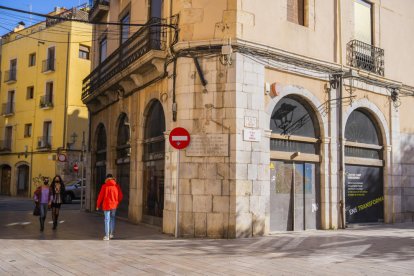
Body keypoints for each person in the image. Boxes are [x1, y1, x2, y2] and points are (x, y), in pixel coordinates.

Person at [96, 174, 123, 240]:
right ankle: (111, 234)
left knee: (107, 220)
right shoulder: (117, 186)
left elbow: (100, 197)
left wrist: (97, 205)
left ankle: (107, 236)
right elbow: (121, 196)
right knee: (112, 218)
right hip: (114, 205)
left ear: (106, 179)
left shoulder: (104, 186)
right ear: (112, 178)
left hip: (107, 205)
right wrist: (117, 201)